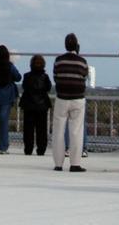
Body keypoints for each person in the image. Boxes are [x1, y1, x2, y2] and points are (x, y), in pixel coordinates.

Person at [51, 32, 88, 172]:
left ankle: (58, 163)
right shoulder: (82, 61)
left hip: (62, 97)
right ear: (77, 45)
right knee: (76, 131)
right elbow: (85, 75)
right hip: (78, 98)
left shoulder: (58, 60)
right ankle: (75, 163)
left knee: (58, 131)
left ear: (65, 45)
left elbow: (55, 77)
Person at [19, 54, 52, 156]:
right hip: (42, 106)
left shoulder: (26, 76)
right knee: (42, 129)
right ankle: (41, 149)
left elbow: (24, 87)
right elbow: (48, 88)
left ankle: (28, 149)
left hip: (29, 105)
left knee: (28, 129)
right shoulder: (45, 77)